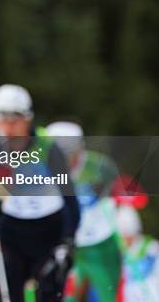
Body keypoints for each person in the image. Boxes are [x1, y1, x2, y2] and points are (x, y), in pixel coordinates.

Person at [0, 84, 80, 302]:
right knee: (8, 294)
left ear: (27, 119)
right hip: (13, 232)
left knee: (49, 292)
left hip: (48, 231)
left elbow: (70, 199)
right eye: (2, 121)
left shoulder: (47, 147)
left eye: (15, 120)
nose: (9, 128)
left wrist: (67, 240)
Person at [45, 121, 121, 302]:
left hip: (99, 242)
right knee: (63, 293)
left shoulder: (98, 166)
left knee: (106, 293)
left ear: (79, 149)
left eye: (68, 155)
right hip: (65, 243)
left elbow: (114, 187)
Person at [116, 205, 159, 302]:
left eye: (127, 234)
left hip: (153, 295)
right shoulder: (117, 251)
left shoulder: (150, 246)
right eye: (122, 235)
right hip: (130, 296)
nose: (125, 238)